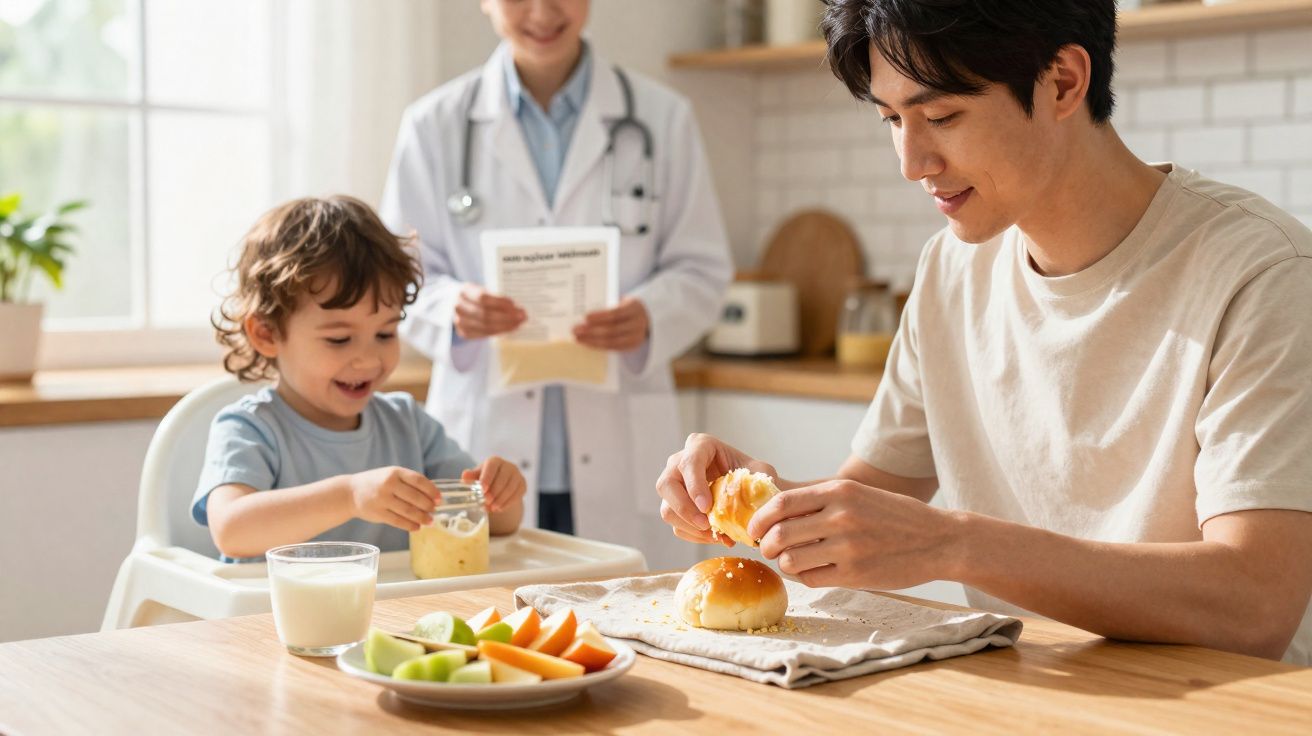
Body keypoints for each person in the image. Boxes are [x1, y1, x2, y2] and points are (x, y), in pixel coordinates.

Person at [656, 0, 1312, 663]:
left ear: (1062, 82)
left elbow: (1256, 604)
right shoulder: (951, 268)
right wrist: (764, 500)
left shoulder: (1262, 273)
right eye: (892, 120)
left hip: (1221, 704)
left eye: (941, 116)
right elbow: (876, 503)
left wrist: (955, 544)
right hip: (1027, 687)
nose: (912, 162)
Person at [380, 0, 731, 554]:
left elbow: (703, 268)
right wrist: (452, 308)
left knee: (626, 604)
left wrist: (649, 315)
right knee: (491, 604)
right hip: (485, 442)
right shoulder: (434, 125)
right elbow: (398, 277)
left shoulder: (662, 118)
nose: (542, 11)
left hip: (619, 446)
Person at [192, 196, 526, 562]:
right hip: (275, 602)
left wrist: (500, 494)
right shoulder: (251, 429)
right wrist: (348, 496)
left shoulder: (408, 425)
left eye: (385, 333)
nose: (368, 359)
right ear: (267, 334)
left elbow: (499, 524)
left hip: (395, 601)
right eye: (339, 339)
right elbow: (231, 530)